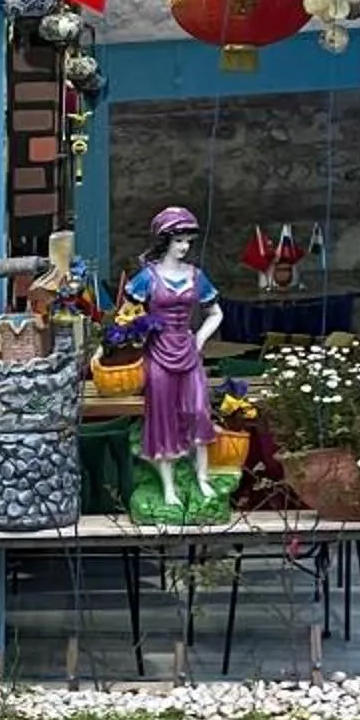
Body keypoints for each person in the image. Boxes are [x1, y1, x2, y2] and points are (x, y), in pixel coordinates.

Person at [126, 206, 227, 517]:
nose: (184, 247)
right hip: (158, 354)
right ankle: (168, 487)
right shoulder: (147, 277)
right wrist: (135, 332)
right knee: (163, 418)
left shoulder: (196, 276)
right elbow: (126, 316)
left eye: (188, 241)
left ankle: (202, 476)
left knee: (198, 411)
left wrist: (200, 338)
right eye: (179, 240)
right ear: (165, 241)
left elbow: (216, 312)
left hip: (188, 350)